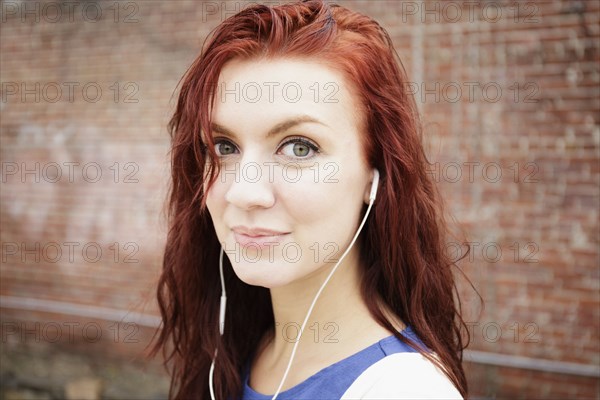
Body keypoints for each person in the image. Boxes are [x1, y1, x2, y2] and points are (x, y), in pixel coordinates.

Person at [152, 1, 474, 399]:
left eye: (299, 148)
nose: (243, 191)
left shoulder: (402, 390)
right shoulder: (239, 349)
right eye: (224, 145)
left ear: (376, 175)